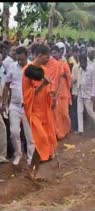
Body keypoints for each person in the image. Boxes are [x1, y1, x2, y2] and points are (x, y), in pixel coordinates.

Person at [22, 45, 57, 180]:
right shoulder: (27, 71)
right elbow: (29, 95)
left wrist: (51, 95)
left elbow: (48, 92)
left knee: (44, 140)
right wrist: (43, 84)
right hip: (33, 111)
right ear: (39, 55)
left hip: (44, 110)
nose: (49, 59)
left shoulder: (44, 70)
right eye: (47, 56)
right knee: (41, 139)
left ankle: (33, 171)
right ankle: (32, 169)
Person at [1, 46, 35, 166]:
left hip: (28, 106)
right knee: (14, 132)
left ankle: (31, 157)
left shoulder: (32, 67)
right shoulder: (12, 67)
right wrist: (4, 102)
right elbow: (6, 85)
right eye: (18, 59)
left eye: (22, 59)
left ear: (26, 55)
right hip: (14, 105)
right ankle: (18, 154)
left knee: (29, 134)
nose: (20, 62)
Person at [75, 54, 95, 134]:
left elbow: (94, 83)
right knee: (79, 111)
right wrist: (76, 92)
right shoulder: (80, 69)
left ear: (85, 61)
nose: (81, 64)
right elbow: (79, 80)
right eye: (80, 62)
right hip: (80, 92)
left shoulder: (91, 69)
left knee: (90, 111)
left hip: (89, 94)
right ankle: (81, 130)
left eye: (82, 62)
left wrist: (93, 94)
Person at [50, 46, 72, 140]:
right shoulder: (50, 65)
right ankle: (59, 133)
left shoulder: (64, 63)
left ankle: (66, 131)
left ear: (59, 53)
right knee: (56, 115)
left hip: (63, 93)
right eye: (53, 53)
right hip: (54, 93)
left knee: (65, 114)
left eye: (56, 53)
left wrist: (65, 75)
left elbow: (69, 77)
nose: (54, 55)